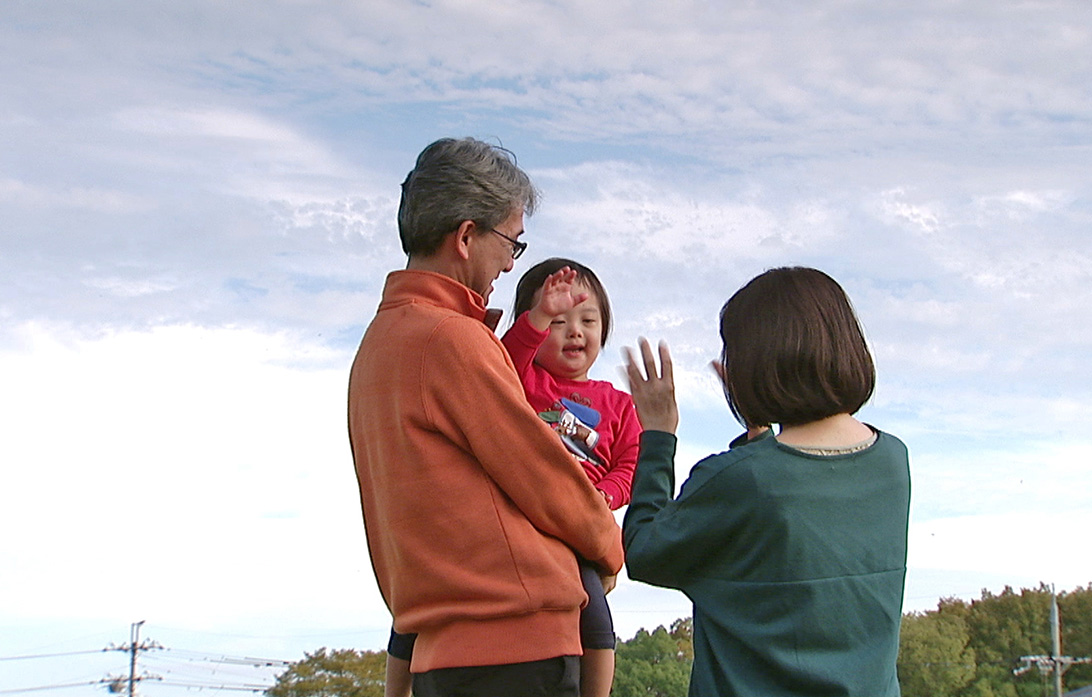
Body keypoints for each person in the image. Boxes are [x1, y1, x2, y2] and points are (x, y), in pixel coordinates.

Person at [349, 137, 624, 697]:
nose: (509, 261)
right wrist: (607, 547)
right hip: (514, 652)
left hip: (440, 652)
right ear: (467, 236)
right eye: (511, 242)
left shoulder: (380, 343)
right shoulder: (449, 338)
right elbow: (541, 471)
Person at [621, 266, 911, 697]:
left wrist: (659, 435)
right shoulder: (893, 461)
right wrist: (758, 431)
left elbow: (645, 551)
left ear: (753, 365)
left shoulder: (737, 479)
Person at [387, 258, 640, 697]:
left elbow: (631, 460)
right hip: (512, 516)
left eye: (588, 319)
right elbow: (507, 356)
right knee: (420, 603)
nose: (575, 331)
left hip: (575, 528)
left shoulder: (617, 403)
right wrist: (536, 318)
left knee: (596, 617)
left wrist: (605, 494)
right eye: (558, 321)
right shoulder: (519, 378)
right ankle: (394, 689)